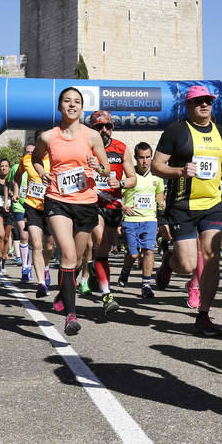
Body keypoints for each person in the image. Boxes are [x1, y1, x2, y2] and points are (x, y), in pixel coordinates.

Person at [152, 85, 222, 337]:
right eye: (198, 102)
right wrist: (180, 171)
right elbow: (156, 166)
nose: (204, 105)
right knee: (186, 263)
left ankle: (203, 314)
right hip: (182, 204)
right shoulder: (176, 131)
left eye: (207, 101)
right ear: (188, 106)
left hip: (212, 204)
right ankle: (168, 264)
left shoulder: (220, 131)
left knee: (211, 257)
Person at [32, 87, 111, 335]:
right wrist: (42, 172)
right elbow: (36, 158)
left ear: (81, 108)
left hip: (86, 202)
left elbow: (107, 169)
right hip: (57, 200)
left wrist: (99, 166)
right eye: (67, 101)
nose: (72, 105)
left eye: (77, 101)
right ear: (60, 106)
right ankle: (71, 316)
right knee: (66, 255)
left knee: (76, 260)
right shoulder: (48, 137)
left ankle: (63, 292)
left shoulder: (92, 137)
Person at [82, 110, 136, 313]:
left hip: (114, 205)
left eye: (108, 126)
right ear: (92, 129)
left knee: (106, 248)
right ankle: (107, 296)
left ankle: (94, 267)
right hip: (92, 203)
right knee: (100, 242)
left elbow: (133, 178)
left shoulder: (121, 148)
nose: (104, 130)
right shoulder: (85, 148)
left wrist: (120, 182)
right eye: (99, 127)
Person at [117, 142, 165, 297]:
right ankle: (125, 270)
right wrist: (123, 207)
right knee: (133, 254)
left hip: (150, 219)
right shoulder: (129, 175)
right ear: (136, 158)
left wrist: (161, 208)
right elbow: (117, 196)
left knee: (149, 251)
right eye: (141, 158)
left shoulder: (157, 176)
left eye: (148, 157)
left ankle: (146, 285)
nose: (145, 161)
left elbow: (159, 197)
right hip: (131, 220)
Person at [16, 139, 54, 298]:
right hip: (32, 205)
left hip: (52, 205)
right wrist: (17, 191)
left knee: (50, 246)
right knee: (37, 244)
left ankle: (45, 268)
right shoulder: (26, 160)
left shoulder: (54, 159)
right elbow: (18, 176)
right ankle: (41, 284)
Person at [11, 144, 35, 281]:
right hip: (20, 206)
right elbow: (13, 181)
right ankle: (24, 268)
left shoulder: (39, 167)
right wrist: (14, 193)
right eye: (27, 152)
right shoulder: (16, 167)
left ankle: (29, 266)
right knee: (24, 235)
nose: (29, 155)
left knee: (32, 238)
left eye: (32, 152)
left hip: (34, 205)